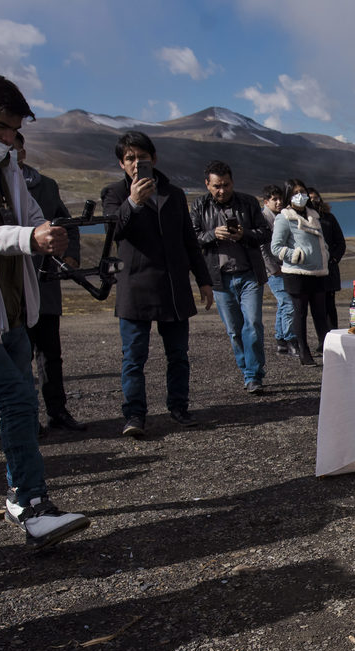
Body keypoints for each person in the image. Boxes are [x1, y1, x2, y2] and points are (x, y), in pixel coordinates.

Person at [0, 72, 90, 546]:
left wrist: (49, 234)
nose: (7, 138)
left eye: (14, 131)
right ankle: (31, 503)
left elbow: (29, 218)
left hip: (13, 309)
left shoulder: (7, 168)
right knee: (19, 399)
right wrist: (28, 238)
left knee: (19, 403)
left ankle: (22, 497)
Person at [101, 131, 213, 437]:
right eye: (130, 158)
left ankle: (179, 406)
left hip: (173, 288)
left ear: (154, 159)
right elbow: (115, 231)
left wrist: (203, 280)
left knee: (178, 354)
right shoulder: (113, 193)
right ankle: (134, 415)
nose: (137, 164)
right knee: (134, 357)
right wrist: (134, 203)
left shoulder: (174, 194)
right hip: (135, 287)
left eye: (143, 157)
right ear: (121, 163)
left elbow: (189, 240)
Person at [13, 131, 84, 431]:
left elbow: (68, 225)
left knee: (51, 354)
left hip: (45, 282)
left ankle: (58, 412)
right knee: (19, 357)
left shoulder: (47, 186)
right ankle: (24, 417)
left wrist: (71, 256)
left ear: (22, 152)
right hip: (11, 286)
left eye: (14, 147)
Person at [190, 160, 268, 394]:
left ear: (232, 182)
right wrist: (213, 234)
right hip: (220, 279)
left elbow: (265, 233)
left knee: (253, 324)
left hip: (249, 276)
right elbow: (192, 238)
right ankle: (247, 369)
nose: (221, 190)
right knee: (234, 330)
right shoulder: (199, 206)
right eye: (216, 186)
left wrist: (244, 235)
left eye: (226, 185)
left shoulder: (248, 202)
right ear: (207, 184)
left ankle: (254, 375)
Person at [270, 178, 330, 366]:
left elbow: (320, 242)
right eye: (295, 193)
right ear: (289, 196)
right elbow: (275, 247)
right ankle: (304, 353)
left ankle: (328, 350)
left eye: (302, 192)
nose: (300, 196)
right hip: (296, 273)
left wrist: (325, 254)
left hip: (318, 272)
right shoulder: (284, 218)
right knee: (300, 313)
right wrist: (295, 255)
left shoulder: (314, 215)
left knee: (321, 313)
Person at [259, 184, 297, 355]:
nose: (279, 202)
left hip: (286, 267)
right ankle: (290, 339)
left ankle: (280, 339)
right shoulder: (263, 219)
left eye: (280, 198)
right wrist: (273, 269)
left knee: (284, 303)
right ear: (266, 201)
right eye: (274, 199)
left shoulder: (283, 216)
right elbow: (262, 247)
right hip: (274, 270)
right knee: (288, 303)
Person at [308, 187, 345, 337]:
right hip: (312, 269)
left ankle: (334, 336)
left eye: (316, 197)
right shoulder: (304, 220)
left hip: (329, 268)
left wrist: (334, 259)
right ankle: (322, 339)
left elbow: (340, 242)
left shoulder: (329, 218)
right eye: (309, 198)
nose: (313, 201)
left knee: (330, 305)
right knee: (317, 307)